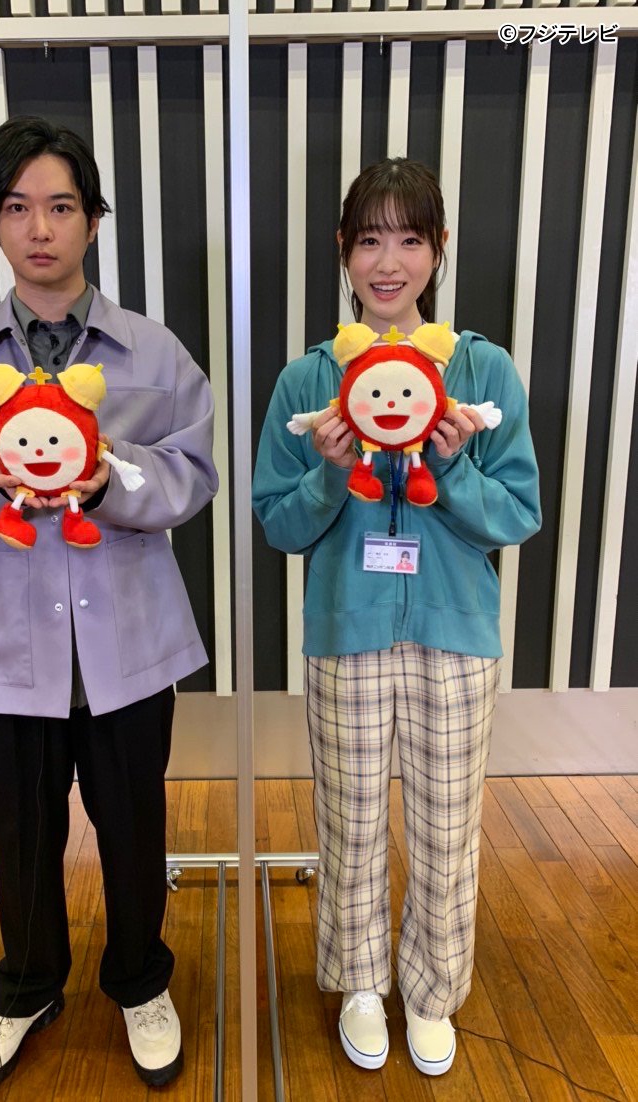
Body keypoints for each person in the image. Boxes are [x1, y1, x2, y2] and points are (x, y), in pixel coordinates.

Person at [0, 115, 217, 1094]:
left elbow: (193, 473)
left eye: (62, 206)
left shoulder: (153, 352)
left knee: (134, 825)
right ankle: (28, 985)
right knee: (20, 832)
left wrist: (108, 477)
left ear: (94, 219)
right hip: (6, 648)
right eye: (18, 207)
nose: (41, 228)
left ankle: (140, 981)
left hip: (129, 642)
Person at [253, 158, 540, 1077]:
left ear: (438, 250)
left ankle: (431, 991)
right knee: (350, 823)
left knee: (449, 831)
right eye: (370, 239)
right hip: (348, 630)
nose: (389, 262)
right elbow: (277, 523)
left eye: (410, 239)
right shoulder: (309, 379)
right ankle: (361, 983)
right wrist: (329, 471)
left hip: (456, 635)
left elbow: (518, 513)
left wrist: (451, 466)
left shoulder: (481, 370)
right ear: (343, 249)